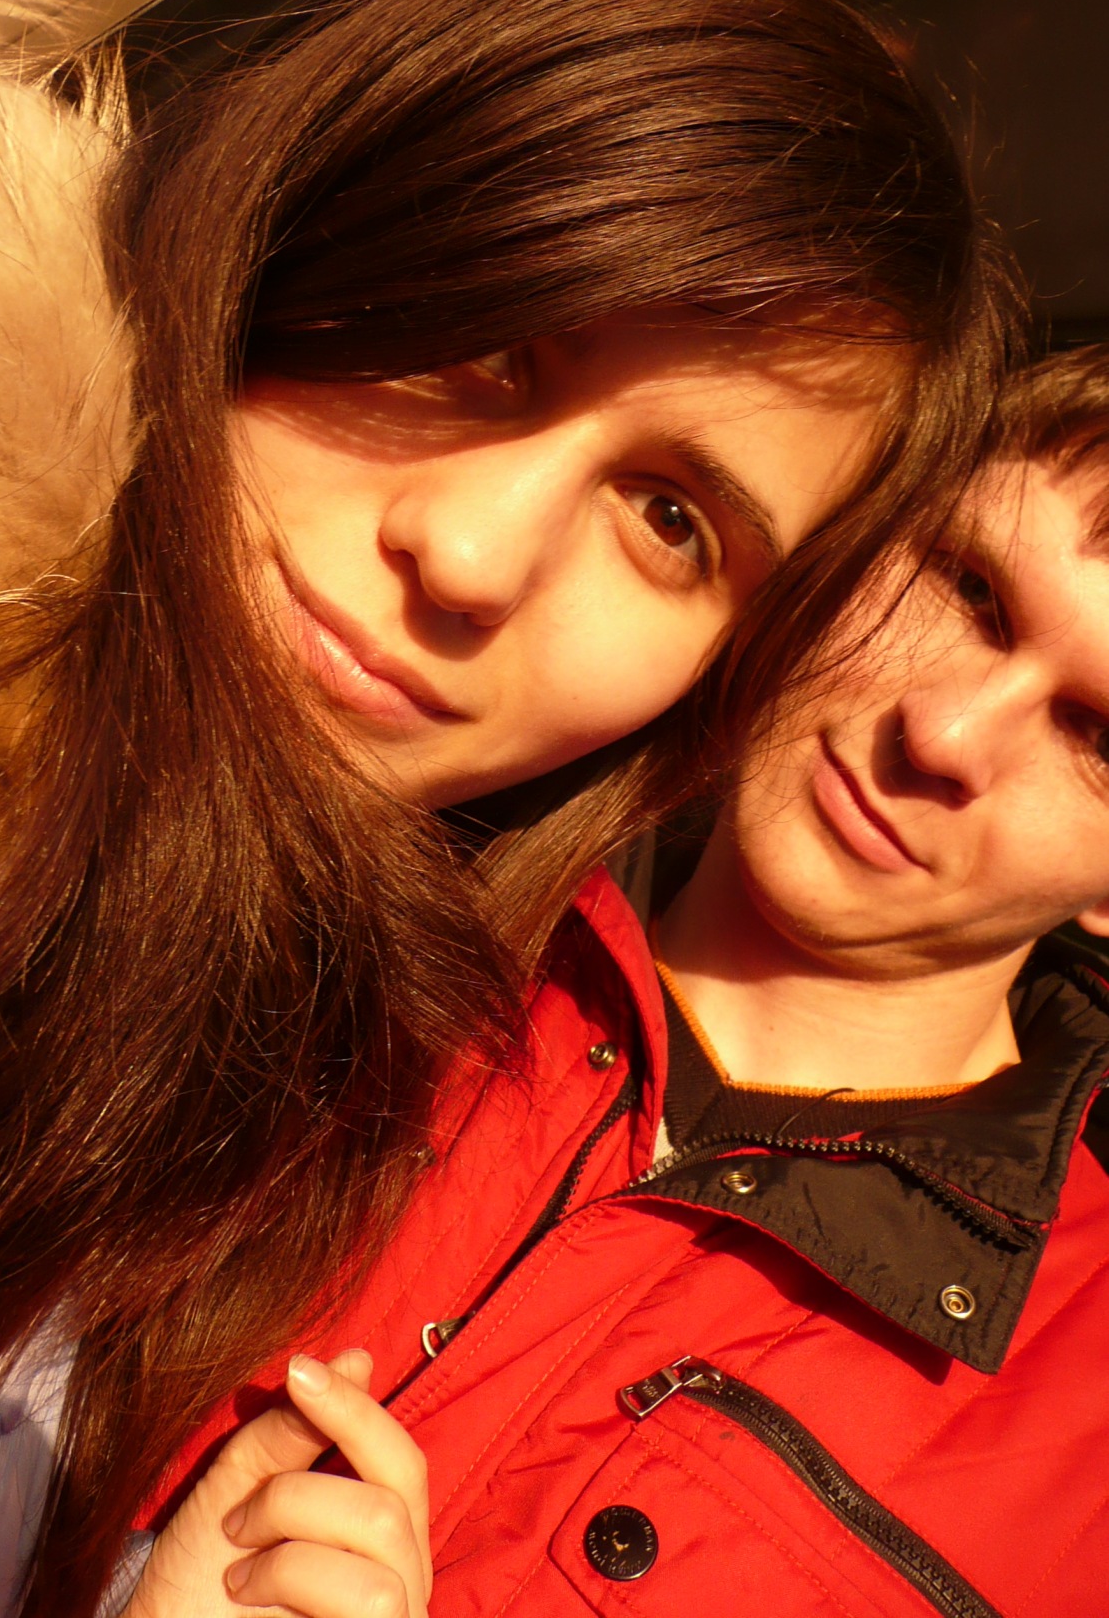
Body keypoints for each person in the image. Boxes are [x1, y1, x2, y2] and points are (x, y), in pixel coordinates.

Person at [0, 0, 1017, 1616]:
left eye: (669, 518)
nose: (471, 553)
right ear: (312, 201)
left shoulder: (240, 1022)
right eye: (488, 343)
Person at [145, 342, 1109, 1617]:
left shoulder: (1081, 1455)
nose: (943, 733)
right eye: (968, 588)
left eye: (1095, 733)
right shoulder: (343, 870)